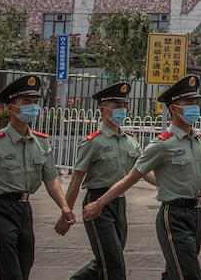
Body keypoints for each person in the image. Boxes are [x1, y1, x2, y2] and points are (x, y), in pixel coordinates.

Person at [82, 75, 201, 280]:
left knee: (175, 272)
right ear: (174, 109)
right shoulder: (162, 145)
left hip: (196, 214)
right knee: (188, 273)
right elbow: (130, 178)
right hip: (173, 216)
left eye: (196, 103)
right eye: (189, 103)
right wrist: (99, 203)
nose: (195, 108)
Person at [0, 75, 75, 280]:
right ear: (11, 108)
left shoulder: (41, 143)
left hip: (25, 212)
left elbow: (51, 180)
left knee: (23, 269)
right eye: (26, 103)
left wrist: (64, 207)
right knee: (6, 273)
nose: (33, 107)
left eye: (35, 102)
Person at [57, 82, 155, 280]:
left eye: (124, 106)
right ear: (103, 110)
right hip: (97, 203)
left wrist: (167, 184)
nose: (122, 110)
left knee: (107, 260)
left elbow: (142, 172)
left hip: (118, 203)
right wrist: (65, 212)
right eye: (117, 106)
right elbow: (76, 181)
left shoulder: (131, 140)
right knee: (114, 266)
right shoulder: (93, 142)